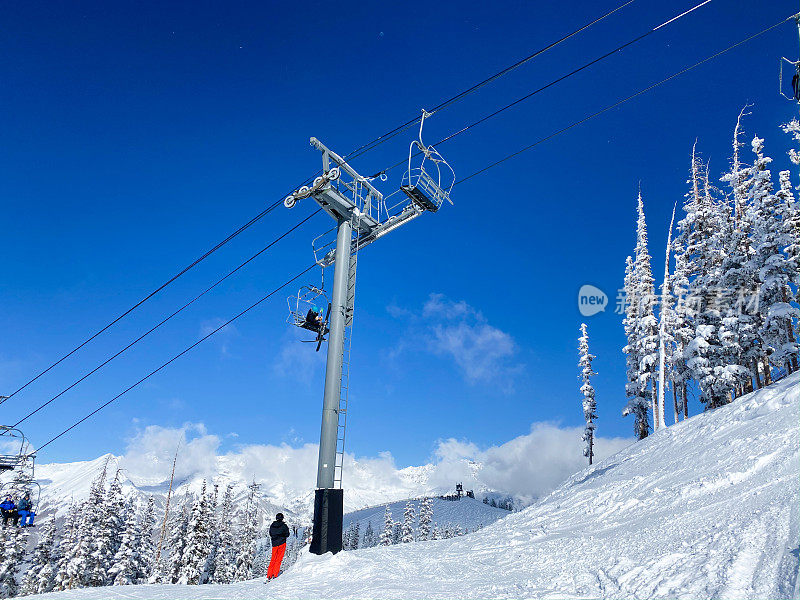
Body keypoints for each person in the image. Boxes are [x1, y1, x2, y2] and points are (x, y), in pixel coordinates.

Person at [266, 513, 290, 580]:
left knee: (273, 559)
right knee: (278, 559)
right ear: (282, 518)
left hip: (274, 544)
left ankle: (269, 575)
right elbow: (287, 534)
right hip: (282, 543)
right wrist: (282, 536)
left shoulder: (272, 525)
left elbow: (270, 533)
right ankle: (275, 574)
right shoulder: (284, 526)